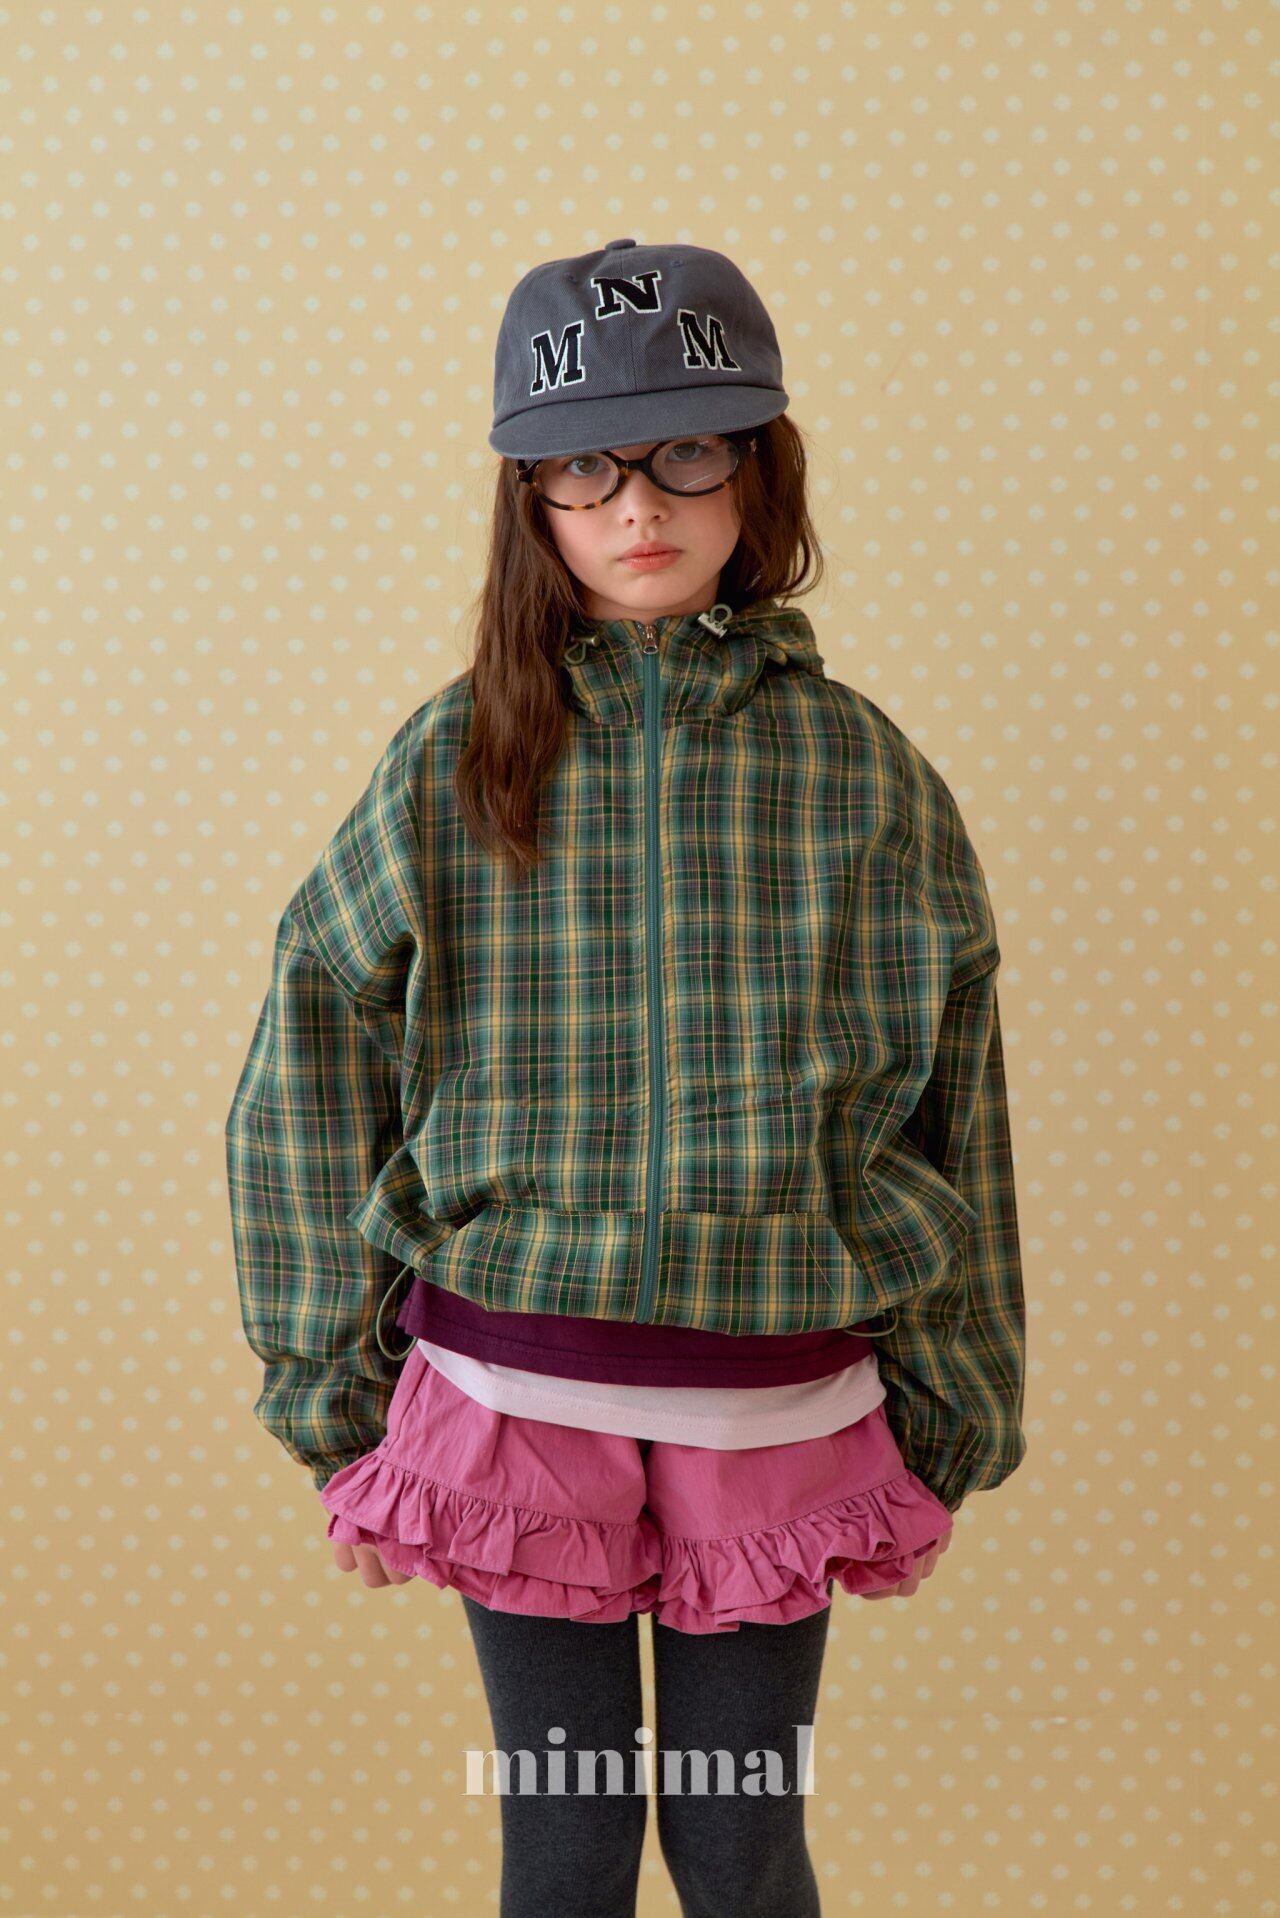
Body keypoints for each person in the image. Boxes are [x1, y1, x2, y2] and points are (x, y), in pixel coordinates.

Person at [225, 238, 1028, 1917]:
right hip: (516, 1396)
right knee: (568, 1841)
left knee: (741, 1844)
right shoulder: (458, 756)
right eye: (586, 465)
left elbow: (955, 1080)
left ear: (759, 470)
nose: (639, 502)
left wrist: (964, 1382)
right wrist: (325, 1372)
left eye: (688, 450)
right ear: (532, 498)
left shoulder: (862, 770)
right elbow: (310, 1035)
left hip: (780, 1398)